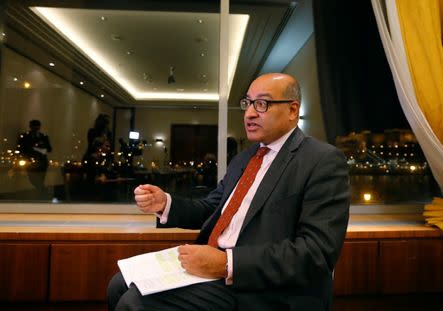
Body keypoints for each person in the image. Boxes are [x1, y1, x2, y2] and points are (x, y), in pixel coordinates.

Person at [108, 73, 350, 311]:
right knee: (119, 284)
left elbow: (316, 254)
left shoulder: (322, 161)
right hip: (216, 271)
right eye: (247, 103)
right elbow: (213, 208)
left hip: (263, 288)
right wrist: (165, 203)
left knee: (135, 303)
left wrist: (227, 264)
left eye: (262, 104)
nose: (250, 113)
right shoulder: (245, 159)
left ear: (292, 110)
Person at [17, 119, 52, 192]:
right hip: (32, 161)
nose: (35, 128)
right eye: (34, 126)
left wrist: (35, 148)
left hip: (40, 162)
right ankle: (42, 191)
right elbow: (21, 148)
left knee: (38, 179)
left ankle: (41, 191)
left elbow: (49, 149)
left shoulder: (43, 137)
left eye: (36, 126)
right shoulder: (26, 136)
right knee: (34, 179)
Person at [82, 114, 114, 180]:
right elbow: (92, 144)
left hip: (103, 159)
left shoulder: (108, 134)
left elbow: (109, 147)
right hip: (92, 158)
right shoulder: (92, 132)